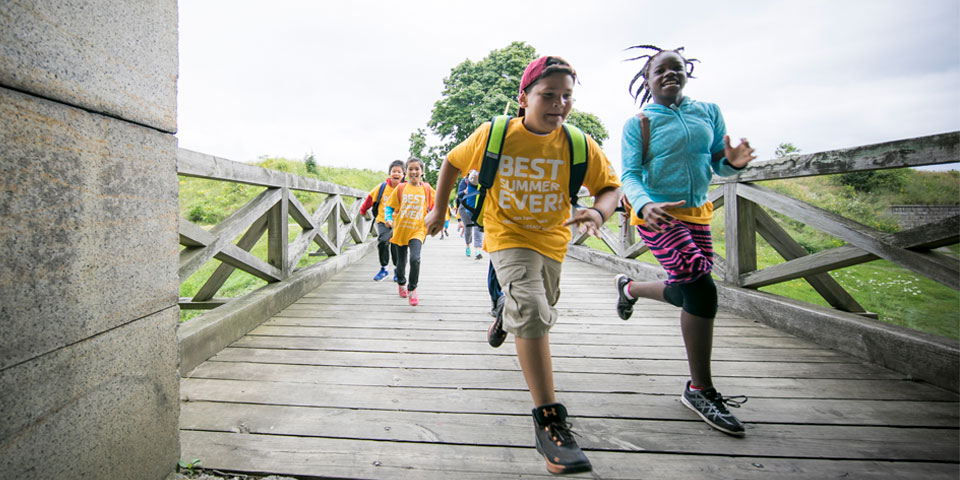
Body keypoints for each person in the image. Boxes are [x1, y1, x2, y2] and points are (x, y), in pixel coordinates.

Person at [425, 56, 621, 475]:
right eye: (548, 95)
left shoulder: (578, 144)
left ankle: (503, 315)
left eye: (567, 95)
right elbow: (452, 163)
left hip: (552, 241)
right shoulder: (496, 134)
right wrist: (439, 210)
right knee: (532, 312)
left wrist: (599, 214)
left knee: (540, 310)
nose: (559, 103)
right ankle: (549, 422)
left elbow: (610, 188)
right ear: (524, 97)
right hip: (507, 236)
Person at [616, 45, 755, 437]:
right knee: (701, 287)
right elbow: (629, 174)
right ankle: (699, 389)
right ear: (647, 79)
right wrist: (644, 204)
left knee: (690, 287)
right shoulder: (639, 122)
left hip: (697, 213)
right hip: (657, 215)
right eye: (660, 70)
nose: (669, 74)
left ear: (686, 74)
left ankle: (630, 287)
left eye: (676, 69)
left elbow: (716, 161)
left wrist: (734, 163)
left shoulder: (707, 111)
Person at [385, 157, 435, 306]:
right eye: (410, 169)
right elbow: (389, 207)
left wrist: (438, 221)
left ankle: (412, 288)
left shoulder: (426, 189)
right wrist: (388, 218)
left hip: (417, 231)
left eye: (417, 169)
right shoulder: (401, 188)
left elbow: (436, 205)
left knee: (415, 259)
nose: (414, 172)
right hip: (401, 230)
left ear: (422, 171)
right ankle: (401, 282)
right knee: (401, 263)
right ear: (406, 172)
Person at [359, 160, 404, 282]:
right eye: (394, 171)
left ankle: (396, 269)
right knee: (383, 241)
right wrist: (363, 210)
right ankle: (384, 269)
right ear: (389, 173)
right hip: (383, 220)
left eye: (399, 171)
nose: (396, 173)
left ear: (403, 174)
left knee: (395, 245)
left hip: (399, 222)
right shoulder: (382, 187)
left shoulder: (405, 188)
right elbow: (370, 199)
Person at [457, 170, 485, 259]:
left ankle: (478, 250)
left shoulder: (481, 180)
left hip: (476, 207)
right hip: (465, 207)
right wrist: (464, 192)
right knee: (468, 228)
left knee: (477, 227)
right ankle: (468, 246)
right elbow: (459, 195)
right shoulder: (464, 181)